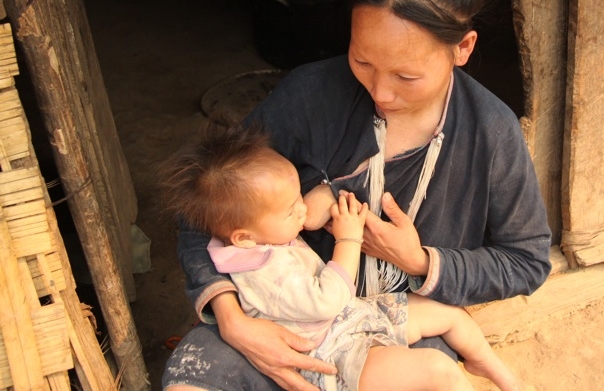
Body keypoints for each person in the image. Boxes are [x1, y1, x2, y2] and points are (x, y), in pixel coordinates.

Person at [163, 0, 552, 391]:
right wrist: (231, 317)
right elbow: (201, 213)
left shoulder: (491, 130)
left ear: (463, 48)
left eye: (406, 76)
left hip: (396, 329)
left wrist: (422, 261)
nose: (381, 92)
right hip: (282, 320)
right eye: (362, 61)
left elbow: (526, 261)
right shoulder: (309, 95)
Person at [158, 122, 521, 390]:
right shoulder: (265, 272)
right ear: (244, 237)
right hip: (334, 351)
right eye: (290, 210)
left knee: (448, 314)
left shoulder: (251, 239)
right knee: (438, 370)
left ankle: (493, 369)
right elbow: (328, 300)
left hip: (352, 318)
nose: (302, 209)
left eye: (297, 198)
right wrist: (348, 238)